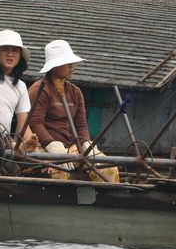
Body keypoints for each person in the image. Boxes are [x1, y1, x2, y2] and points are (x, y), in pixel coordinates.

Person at [28, 40, 119, 183]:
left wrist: (86, 145)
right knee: (59, 172)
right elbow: (35, 123)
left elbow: (81, 125)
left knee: (109, 168)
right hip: (45, 147)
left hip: (72, 147)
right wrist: (53, 145)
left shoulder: (75, 92)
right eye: (67, 63)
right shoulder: (39, 90)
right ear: (55, 65)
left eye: (72, 62)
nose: (72, 67)